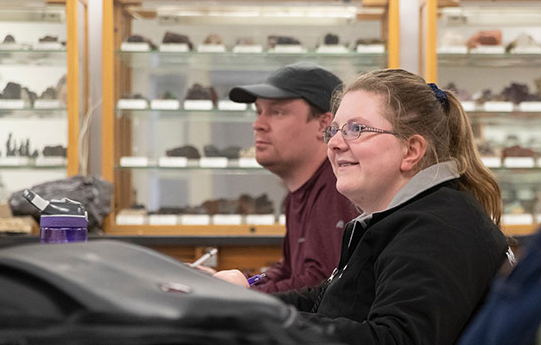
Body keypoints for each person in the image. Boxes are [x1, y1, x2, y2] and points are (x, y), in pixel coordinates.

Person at [216, 68, 509, 344]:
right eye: (334, 131)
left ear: (411, 151)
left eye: (356, 129)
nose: (334, 144)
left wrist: (259, 318)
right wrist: (246, 300)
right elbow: (324, 299)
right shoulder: (402, 218)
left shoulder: (437, 228)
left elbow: (395, 339)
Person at [227, 62, 358, 293]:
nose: (258, 125)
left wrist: (242, 293)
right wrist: (245, 281)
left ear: (324, 124)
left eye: (277, 112)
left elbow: (320, 285)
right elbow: (287, 270)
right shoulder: (301, 191)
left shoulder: (337, 190)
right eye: (259, 112)